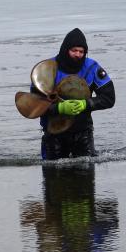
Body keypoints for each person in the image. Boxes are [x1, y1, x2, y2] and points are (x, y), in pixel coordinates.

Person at [32, 28, 115, 160]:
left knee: (85, 174)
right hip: (53, 134)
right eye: (74, 50)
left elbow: (109, 98)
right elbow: (34, 104)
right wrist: (59, 108)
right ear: (65, 50)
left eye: (81, 51)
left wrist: (86, 104)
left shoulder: (92, 68)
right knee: (53, 175)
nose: (78, 54)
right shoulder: (47, 70)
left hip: (83, 133)